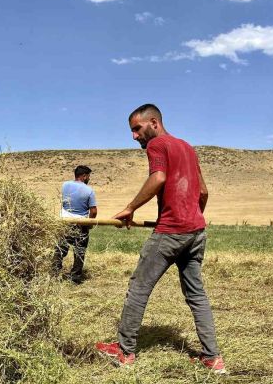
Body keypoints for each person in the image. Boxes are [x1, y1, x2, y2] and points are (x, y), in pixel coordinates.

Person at [95, 104, 226, 374]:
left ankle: (124, 350)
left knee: (138, 288)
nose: (134, 137)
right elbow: (202, 192)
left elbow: (159, 178)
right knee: (197, 295)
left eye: (136, 129)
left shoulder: (158, 145)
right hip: (196, 232)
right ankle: (212, 358)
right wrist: (190, 216)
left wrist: (131, 207)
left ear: (153, 122)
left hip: (170, 232)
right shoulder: (187, 147)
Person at [53, 165, 97, 284]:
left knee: (60, 249)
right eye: (88, 176)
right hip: (81, 224)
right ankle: (75, 278)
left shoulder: (65, 185)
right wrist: (90, 223)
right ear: (84, 176)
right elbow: (93, 211)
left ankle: (54, 273)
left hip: (65, 222)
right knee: (79, 251)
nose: (89, 178)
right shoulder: (89, 190)